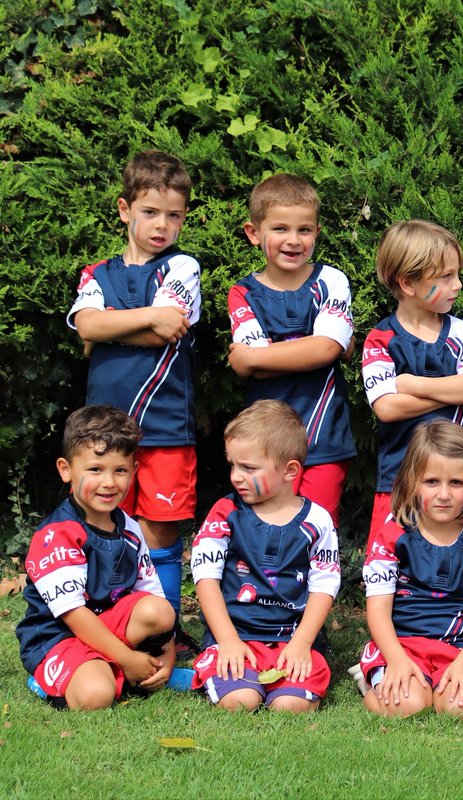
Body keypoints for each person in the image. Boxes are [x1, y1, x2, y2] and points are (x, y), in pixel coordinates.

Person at [67, 150, 200, 619]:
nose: (162, 225)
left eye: (174, 215)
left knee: (158, 529)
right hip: (103, 431)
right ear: (125, 210)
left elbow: (167, 329)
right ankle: (110, 622)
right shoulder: (97, 272)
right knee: (104, 524)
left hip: (165, 427)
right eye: (150, 212)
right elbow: (86, 326)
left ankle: (164, 631)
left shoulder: (182, 267)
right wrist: (144, 318)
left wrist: (110, 325)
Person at [17, 405, 177, 710]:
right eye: (95, 470)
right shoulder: (57, 534)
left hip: (108, 626)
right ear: (66, 469)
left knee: (158, 611)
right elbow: (73, 614)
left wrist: (167, 658)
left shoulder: (130, 528)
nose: (109, 482)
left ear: (134, 470)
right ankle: (56, 677)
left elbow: (153, 595)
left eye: (120, 470)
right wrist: (127, 658)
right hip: (59, 636)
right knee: (96, 696)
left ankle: (116, 666)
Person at [189, 400, 341, 712]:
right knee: (239, 701)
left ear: (290, 470)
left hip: (292, 641)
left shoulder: (318, 521)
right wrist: (228, 640)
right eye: (233, 465)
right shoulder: (225, 512)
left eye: (248, 468)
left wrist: (302, 644)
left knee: (290, 706)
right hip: (234, 637)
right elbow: (206, 580)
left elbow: (324, 587)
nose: (236, 476)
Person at [227, 174, 356, 527]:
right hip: (263, 443)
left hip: (325, 436)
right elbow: (248, 365)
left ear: (317, 232)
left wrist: (261, 357)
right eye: (280, 228)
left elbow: (325, 348)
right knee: (265, 525)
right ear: (254, 233)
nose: (294, 240)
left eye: (305, 230)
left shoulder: (331, 280)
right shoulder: (242, 292)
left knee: (316, 528)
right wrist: (316, 346)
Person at [357, 420, 463, 718]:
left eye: (456, 483)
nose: (444, 494)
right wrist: (397, 660)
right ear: (413, 482)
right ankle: (376, 682)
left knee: (459, 709)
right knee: (406, 705)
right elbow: (378, 610)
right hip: (403, 647)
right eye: (431, 482)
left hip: (460, 649)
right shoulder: (393, 534)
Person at [362, 220, 463, 540]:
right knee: (391, 561)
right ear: (408, 283)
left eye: (457, 274)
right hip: (399, 480)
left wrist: (412, 384)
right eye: (446, 276)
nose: (458, 285)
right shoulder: (381, 339)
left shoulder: (461, 333)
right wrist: (450, 389)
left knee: (460, 561)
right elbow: (387, 408)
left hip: (459, 483)